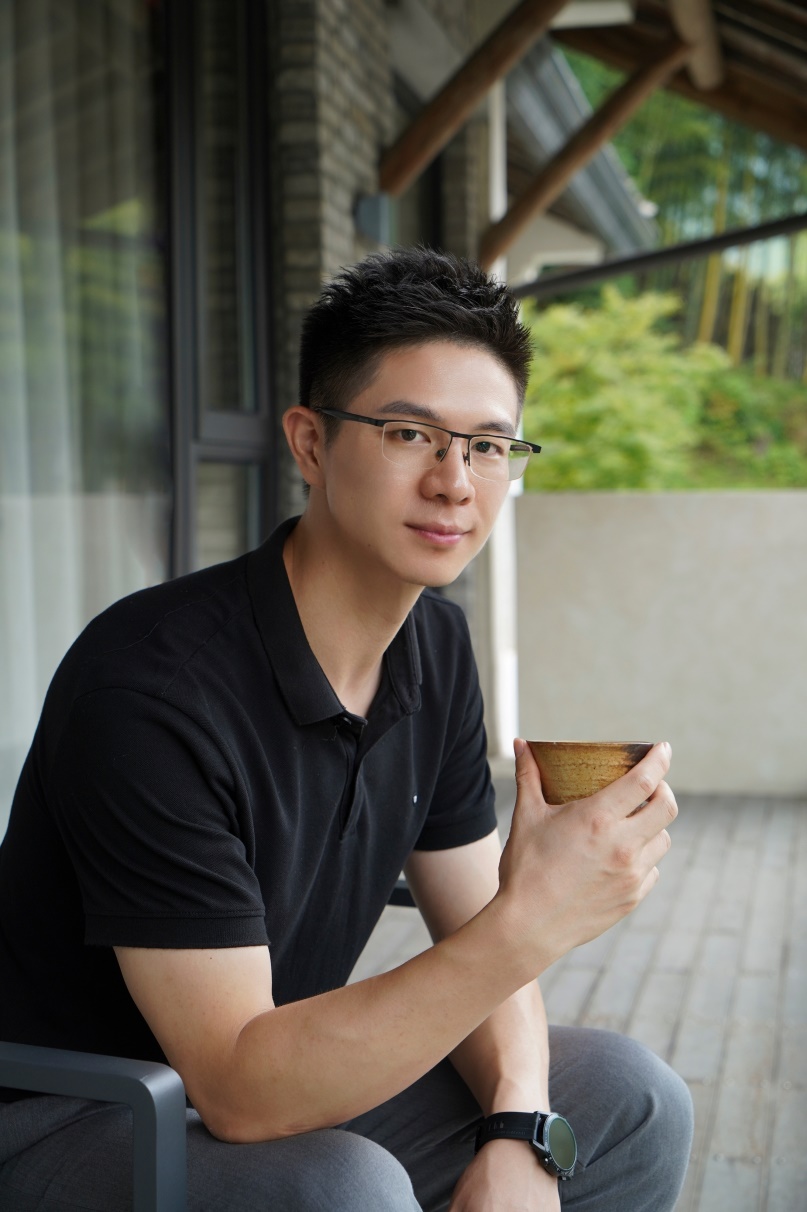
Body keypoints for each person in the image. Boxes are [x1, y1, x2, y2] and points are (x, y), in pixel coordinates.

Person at [0, 247, 692, 1211]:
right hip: (73, 1116)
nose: (455, 482)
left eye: (489, 446)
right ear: (311, 444)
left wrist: (519, 1128)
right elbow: (238, 1087)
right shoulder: (151, 689)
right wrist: (536, 916)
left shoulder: (434, 647)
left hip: (278, 1072)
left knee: (629, 1097)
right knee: (345, 1187)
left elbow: (473, 923)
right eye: (410, 433)